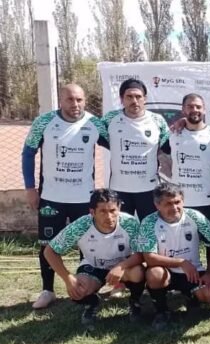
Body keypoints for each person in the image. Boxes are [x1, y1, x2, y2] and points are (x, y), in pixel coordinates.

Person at [21, 84, 106, 309]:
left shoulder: (95, 123)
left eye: (79, 100)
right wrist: (30, 188)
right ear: (60, 101)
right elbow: (28, 153)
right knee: (47, 244)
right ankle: (48, 290)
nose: (75, 104)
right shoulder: (44, 122)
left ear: (85, 100)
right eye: (70, 100)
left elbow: (119, 143)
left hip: (84, 198)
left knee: (86, 244)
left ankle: (83, 286)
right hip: (51, 196)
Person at [43, 189, 144, 327]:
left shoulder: (130, 223)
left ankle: (135, 302)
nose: (109, 216)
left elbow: (142, 253)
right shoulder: (81, 225)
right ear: (92, 212)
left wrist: (121, 266)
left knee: (138, 272)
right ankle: (92, 303)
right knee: (76, 290)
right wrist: (68, 278)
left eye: (113, 210)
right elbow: (49, 251)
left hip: (122, 267)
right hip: (93, 266)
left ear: (119, 208)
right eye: (102, 211)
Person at [138, 183, 210, 330]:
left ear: (183, 201)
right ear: (157, 205)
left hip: (192, 272)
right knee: (154, 274)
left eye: (177, 202)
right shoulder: (149, 222)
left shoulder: (193, 216)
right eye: (168, 204)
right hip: (166, 273)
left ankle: (191, 298)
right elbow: (149, 257)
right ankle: (161, 311)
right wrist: (180, 262)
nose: (174, 208)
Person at [161, 93, 210, 260]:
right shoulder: (173, 133)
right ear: (183, 109)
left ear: (204, 110)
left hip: (207, 200)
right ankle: (185, 280)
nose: (195, 110)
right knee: (181, 245)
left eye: (198, 107)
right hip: (180, 202)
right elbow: (161, 151)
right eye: (190, 106)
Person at [99, 78, 171, 220]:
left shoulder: (157, 120)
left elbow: (167, 147)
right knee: (121, 230)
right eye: (129, 97)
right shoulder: (109, 119)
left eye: (138, 97)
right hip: (119, 189)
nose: (134, 101)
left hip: (149, 188)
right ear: (121, 99)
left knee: (151, 228)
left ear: (145, 98)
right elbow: (101, 139)